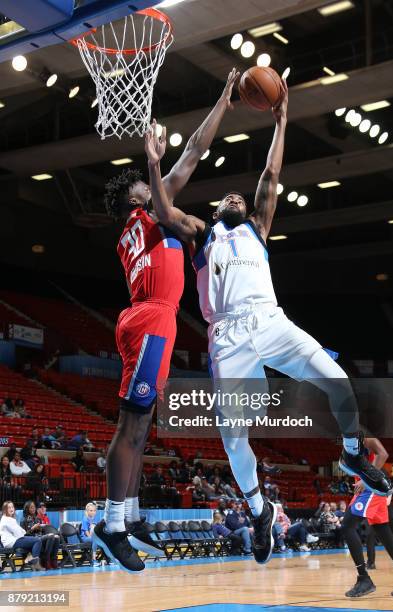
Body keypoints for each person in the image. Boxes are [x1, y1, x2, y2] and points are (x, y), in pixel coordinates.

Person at [144, 75, 392, 565]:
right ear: (216, 210)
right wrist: (159, 160)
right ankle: (259, 511)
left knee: (339, 380)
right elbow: (165, 201)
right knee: (233, 438)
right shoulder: (201, 233)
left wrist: (281, 120)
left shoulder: (258, 226)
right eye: (227, 199)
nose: (236, 198)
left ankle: (350, 452)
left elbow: (271, 175)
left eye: (241, 197)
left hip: (272, 322)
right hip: (229, 337)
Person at [93, 68, 240, 572]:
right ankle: (112, 525)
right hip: (152, 319)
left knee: (142, 424)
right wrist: (223, 100)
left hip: (150, 317)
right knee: (132, 427)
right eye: (145, 182)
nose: (151, 182)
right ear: (137, 197)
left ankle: (129, 519)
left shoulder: (141, 227)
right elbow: (195, 151)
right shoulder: (150, 216)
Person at [343, 437, 393, 598]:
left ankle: (364, 579)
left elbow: (383, 454)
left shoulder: (366, 438)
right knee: (384, 533)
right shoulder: (347, 440)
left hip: (371, 487)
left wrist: (365, 481)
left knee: (347, 526)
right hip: (369, 488)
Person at [0, 501, 42, 570]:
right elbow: (19, 533)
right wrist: (23, 533)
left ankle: (29, 559)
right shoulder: (8, 519)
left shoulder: (6, 519)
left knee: (32, 541)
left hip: (12, 541)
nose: (11, 509)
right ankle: (34, 562)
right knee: (37, 540)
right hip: (13, 542)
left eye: (12, 507)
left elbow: (21, 530)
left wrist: (23, 533)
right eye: (9, 508)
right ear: (5, 510)